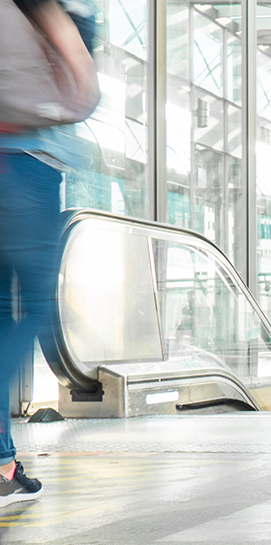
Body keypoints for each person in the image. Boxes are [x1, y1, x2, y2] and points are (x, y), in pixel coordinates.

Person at [0, 0, 97, 506]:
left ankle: (3, 465)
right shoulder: (43, 6)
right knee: (35, 309)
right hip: (24, 167)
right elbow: (83, 93)